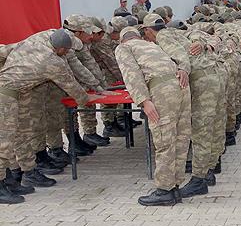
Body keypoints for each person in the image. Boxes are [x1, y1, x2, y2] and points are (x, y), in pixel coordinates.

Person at [0, 29, 100, 203]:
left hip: (18, 93)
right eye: (67, 51)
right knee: (4, 142)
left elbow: (4, 50)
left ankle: (18, 176)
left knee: (21, 135)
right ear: (61, 49)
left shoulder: (31, 42)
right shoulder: (52, 61)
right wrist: (88, 97)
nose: (67, 54)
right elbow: (73, 87)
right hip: (6, 95)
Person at [115, 26, 191, 206]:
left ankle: (164, 190)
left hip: (162, 92)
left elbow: (131, 75)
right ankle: (175, 187)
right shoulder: (152, 45)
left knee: (164, 140)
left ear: (122, 39)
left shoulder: (124, 48)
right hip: (181, 87)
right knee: (181, 138)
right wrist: (183, 69)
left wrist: (144, 101)